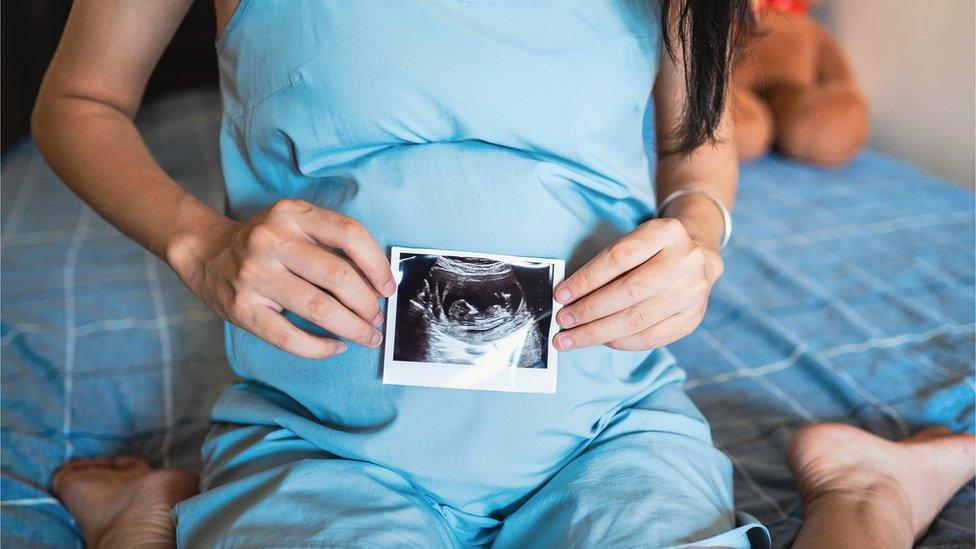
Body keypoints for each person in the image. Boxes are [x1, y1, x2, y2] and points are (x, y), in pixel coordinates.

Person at [31, 1, 974, 547]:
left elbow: (703, 141)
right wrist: (200, 241)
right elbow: (79, 99)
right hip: (323, 438)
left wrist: (700, 228)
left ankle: (863, 495)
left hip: (606, 433)